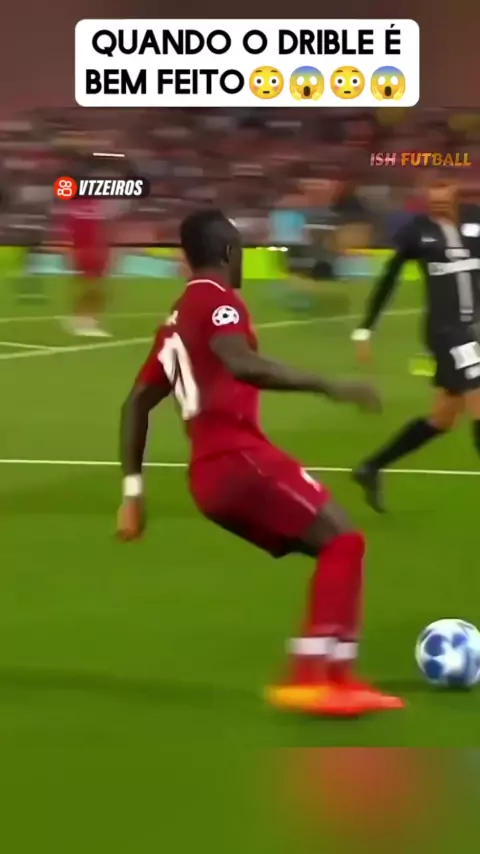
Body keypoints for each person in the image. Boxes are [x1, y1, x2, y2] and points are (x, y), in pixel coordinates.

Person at [117, 209, 404, 717]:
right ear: (228, 252)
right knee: (344, 541)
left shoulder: (176, 318)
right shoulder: (218, 300)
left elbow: (137, 402)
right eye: (242, 250)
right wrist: (329, 385)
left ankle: (335, 676)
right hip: (238, 460)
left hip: (208, 478)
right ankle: (313, 677)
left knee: (338, 546)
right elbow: (242, 362)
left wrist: (133, 493)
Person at [351, 177, 480, 512]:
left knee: (443, 418)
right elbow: (389, 278)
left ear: (456, 199)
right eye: (433, 203)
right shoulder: (417, 232)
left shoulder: (475, 221)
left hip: (473, 330)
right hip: (447, 332)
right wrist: (365, 329)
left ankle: (371, 467)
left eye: (444, 202)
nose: (438, 208)